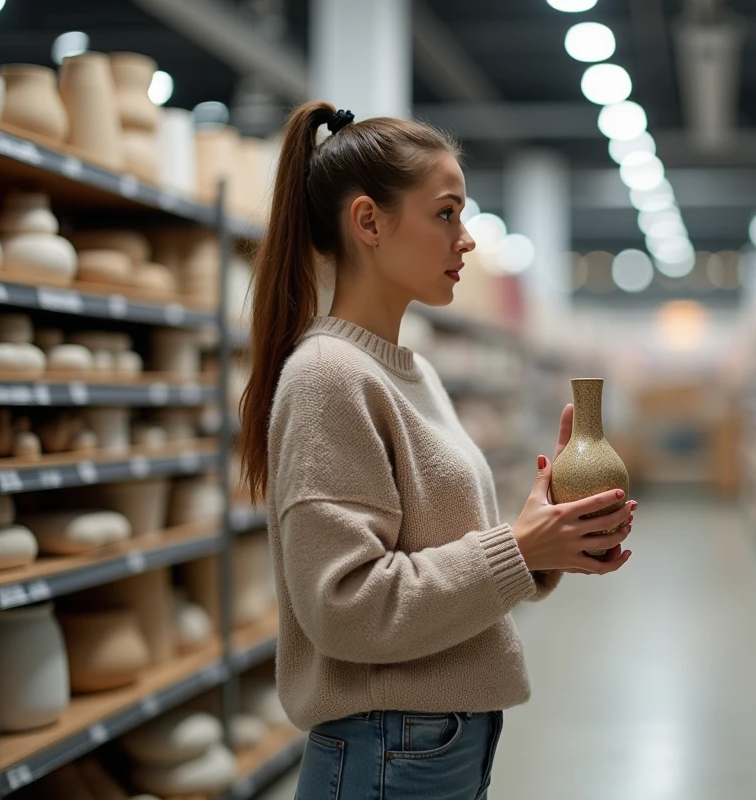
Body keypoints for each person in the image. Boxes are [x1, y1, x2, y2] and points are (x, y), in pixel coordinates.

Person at [238, 101, 636, 800]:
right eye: (447, 213)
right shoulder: (331, 375)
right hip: (388, 751)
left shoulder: (409, 369)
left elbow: (436, 547)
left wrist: (547, 540)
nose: (468, 240)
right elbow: (346, 605)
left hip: (431, 745)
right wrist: (518, 549)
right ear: (369, 222)